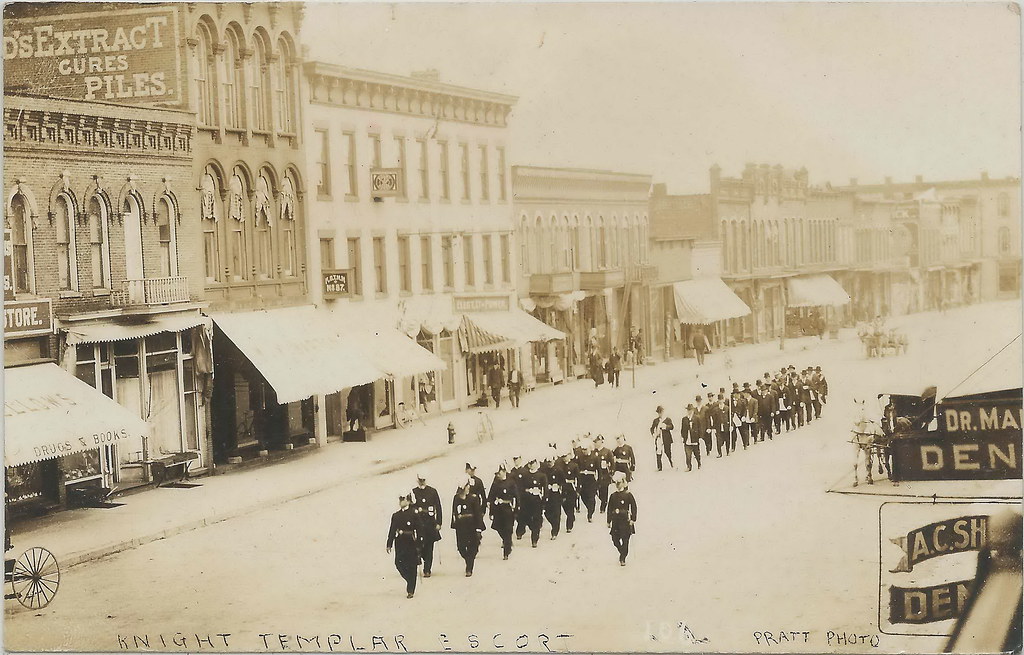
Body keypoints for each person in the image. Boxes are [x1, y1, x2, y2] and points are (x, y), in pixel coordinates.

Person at [386, 494, 421, 598]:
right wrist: (389, 544)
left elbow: (420, 529)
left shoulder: (414, 514)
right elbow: (392, 530)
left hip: (411, 541)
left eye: (403, 499)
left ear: (408, 500)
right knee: (399, 563)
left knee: (412, 565)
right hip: (400, 542)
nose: (401, 501)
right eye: (400, 499)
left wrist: (420, 543)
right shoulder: (396, 515)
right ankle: (409, 580)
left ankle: (411, 589)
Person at [411, 473, 442, 578]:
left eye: (423, 479)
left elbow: (438, 507)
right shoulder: (414, 492)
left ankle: (427, 569)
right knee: (420, 546)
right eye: (420, 479)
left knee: (429, 547)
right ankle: (421, 559)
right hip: (418, 523)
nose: (422, 481)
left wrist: (439, 522)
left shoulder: (432, 491)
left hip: (430, 523)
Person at [451, 482, 485, 577]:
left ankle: (469, 567)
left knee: (472, 547)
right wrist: (455, 523)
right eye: (467, 486)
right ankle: (468, 559)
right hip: (461, 527)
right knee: (461, 547)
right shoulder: (456, 498)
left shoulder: (473, 498)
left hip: (472, 526)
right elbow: (454, 512)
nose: (468, 488)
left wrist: (479, 528)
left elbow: (478, 514)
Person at [487, 465, 518, 560]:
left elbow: (516, 497)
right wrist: (491, 512)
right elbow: (490, 497)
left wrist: (516, 510)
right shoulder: (495, 483)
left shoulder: (511, 483)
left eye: (499, 473)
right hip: (498, 510)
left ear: (504, 471)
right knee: (498, 528)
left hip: (508, 509)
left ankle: (506, 551)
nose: (497, 475)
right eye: (496, 474)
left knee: (508, 530)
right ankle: (506, 540)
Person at [606, 475, 638, 566]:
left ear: (623, 484)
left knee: (625, 540)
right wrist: (608, 521)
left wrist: (633, 519)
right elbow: (609, 508)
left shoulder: (628, 495)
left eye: (620, 483)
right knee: (615, 539)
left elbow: (634, 507)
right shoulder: (613, 496)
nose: (618, 485)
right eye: (617, 483)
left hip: (625, 520)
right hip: (616, 521)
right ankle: (622, 552)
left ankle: (623, 558)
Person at [518, 459, 547, 547]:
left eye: (533, 463)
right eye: (530, 463)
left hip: (537, 501)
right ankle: (531, 528)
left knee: (536, 519)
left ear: (536, 464)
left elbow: (545, 489)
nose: (532, 465)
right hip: (526, 501)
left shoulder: (541, 475)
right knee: (526, 518)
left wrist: (544, 500)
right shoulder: (524, 475)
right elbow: (520, 487)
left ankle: (534, 539)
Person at [542, 453, 564, 540]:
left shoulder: (558, 470)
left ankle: (555, 531)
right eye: (547, 462)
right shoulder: (544, 470)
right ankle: (553, 524)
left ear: (554, 461)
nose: (549, 463)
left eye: (550, 461)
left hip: (556, 494)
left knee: (556, 513)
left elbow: (563, 482)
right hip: (547, 493)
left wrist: (558, 486)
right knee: (547, 513)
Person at [576, 442, 600, 521]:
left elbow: (599, 471)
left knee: (591, 498)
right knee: (583, 496)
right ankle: (589, 507)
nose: (584, 451)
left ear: (589, 448)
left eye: (585, 449)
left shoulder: (595, 458)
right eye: (582, 449)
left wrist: (598, 482)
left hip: (591, 481)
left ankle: (590, 514)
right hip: (583, 480)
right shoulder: (579, 457)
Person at [558, 450, 579, 533]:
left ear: (569, 455)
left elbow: (578, 479)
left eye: (565, 456)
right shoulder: (560, 466)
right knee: (564, 506)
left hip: (571, 488)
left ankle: (569, 526)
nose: (564, 458)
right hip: (563, 488)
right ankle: (571, 516)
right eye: (563, 456)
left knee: (570, 506)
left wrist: (578, 490)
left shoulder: (574, 466)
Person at [595, 435, 615, 512]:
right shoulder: (594, 452)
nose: (596, 443)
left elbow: (612, 463)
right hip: (597, 474)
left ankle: (603, 506)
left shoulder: (607, 451)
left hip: (605, 474)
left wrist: (611, 472)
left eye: (597, 442)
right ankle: (601, 501)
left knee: (604, 490)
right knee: (598, 491)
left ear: (601, 442)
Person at [650, 406, 674, 470]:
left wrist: (666, 427)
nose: (660, 414)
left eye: (661, 412)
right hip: (659, 438)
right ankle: (659, 467)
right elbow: (652, 428)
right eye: (659, 412)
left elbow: (672, 427)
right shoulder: (656, 420)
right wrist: (653, 434)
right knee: (658, 452)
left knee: (667, 451)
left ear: (663, 412)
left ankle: (671, 462)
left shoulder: (667, 419)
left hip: (666, 438)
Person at [681, 404, 701, 471]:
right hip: (687, 439)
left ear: (692, 410)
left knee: (696, 453)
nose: (689, 411)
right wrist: (683, 437)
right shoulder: (684, 419)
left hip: (694, 439)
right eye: (688, 410)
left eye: (690, 410)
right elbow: (683, 429)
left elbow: (699, 428)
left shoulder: (696, 418)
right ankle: (689, 466)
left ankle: (699, 463)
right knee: (688, 454)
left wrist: (698, 437)